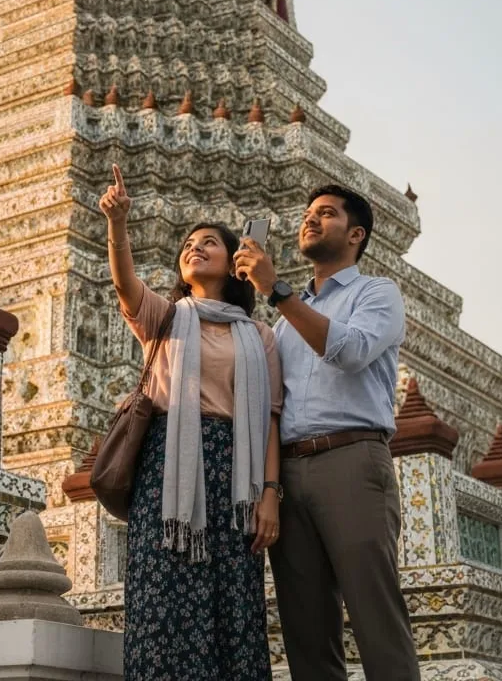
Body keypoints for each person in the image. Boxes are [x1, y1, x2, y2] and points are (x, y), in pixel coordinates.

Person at [99, 164, 284, 681]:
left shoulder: (259, 336)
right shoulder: (166, 317)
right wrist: (118, 223)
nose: (195, 248)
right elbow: (125, 283)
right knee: (164, 597)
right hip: (167, 469)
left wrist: (270, 492)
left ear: (233, 263)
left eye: (209, 243)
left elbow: (270, 419)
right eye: (187, 244)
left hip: (236, 472)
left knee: (232, 602)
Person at [234, 184, 420, 681]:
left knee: (374, 613)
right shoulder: (287, 322)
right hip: (291, 473)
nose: (311, 220)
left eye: (328, 214)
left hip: (353, 461)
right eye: (309, 214)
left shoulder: (376, 293)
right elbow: (273, 405)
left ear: (355, 234)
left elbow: (352, 351)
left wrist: (277, 293)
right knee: (306, 630)